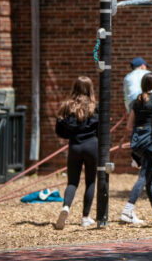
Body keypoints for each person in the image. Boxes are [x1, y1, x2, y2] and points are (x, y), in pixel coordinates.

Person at [121, 72, 152, 224]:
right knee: (144, 176)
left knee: (149, 176)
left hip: (138, 143)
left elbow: (129, 126)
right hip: (151, 142)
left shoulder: (136, 102)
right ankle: (128, 210)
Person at [54, 76, 99, 230]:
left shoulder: (67, 106)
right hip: (92, 145)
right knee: (91, 181)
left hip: (75, 146)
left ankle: (66, 207)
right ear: (90, 89)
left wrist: (71, 136)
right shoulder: (95, 107)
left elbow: (59, 130)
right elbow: (102, 130)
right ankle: (85, 217)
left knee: (72, 181)